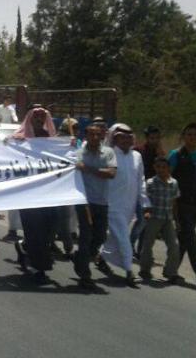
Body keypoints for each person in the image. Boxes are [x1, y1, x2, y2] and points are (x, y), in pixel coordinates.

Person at [11, 106, 59, 283]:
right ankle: (38, 266)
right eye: (36, 117)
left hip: (50, 193)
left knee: (48, 230)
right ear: (30, 119)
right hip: (29, 194)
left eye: (42, 117)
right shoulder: (19, 139)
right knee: (33, 230)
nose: (39, 120)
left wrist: (71, 145)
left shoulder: (52, 139)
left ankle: (24, 248)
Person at [100, 124, 148, 288]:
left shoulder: (137, 156)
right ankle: (129, 271)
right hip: (112, 205)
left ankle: (100, 257)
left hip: (129, 206)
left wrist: (145, 203)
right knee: (123, 238)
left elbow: (140, 180)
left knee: (114, 238)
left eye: (129, 136)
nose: (126, 139)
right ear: (115, 138)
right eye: (122, 136)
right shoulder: (108, 155)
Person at [168, 123, 196, 291]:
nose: (192, 137)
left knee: (185, 240)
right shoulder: (176, 155)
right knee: (191, 239)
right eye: (189, 134)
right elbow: (167, 177)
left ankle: (170, 270)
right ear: (183, 136)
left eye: (195, 134)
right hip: (181, 204)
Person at [72, 124, 117, 290]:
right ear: (86, 136)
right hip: (85, 202)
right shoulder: (78, 154)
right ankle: (85, 274)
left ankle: (80, 258)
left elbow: (111, 173)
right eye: (92, 135)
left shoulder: (108, 152)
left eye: (99, 135)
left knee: (100, 237)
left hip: (102, 201)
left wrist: (88, 169)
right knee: (86, 236)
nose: (95, 138)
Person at [139, 157, 182, 284]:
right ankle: (145, 269)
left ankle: (170, 272)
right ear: (155, 168)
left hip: (168, 218)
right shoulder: (151, 183)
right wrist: (146, 212)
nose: (161, 170)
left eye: (164, 167)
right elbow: (145, 200)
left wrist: (177, 220)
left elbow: (174, 203)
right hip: (154, 218)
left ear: (168, 168)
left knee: (174, 246)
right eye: (158, 167)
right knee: (148, 244)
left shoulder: (174, 183)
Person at [131, 126, 165, 256]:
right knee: (142, 220)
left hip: (155, 191)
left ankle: (141, 250)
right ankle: (130, 244)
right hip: (141, 190)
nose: (155, 140)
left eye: (157, 138)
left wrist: (160, 153)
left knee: (148, 223)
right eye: (152, 138)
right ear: (147, 138)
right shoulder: (139, 151)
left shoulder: (159, 152)